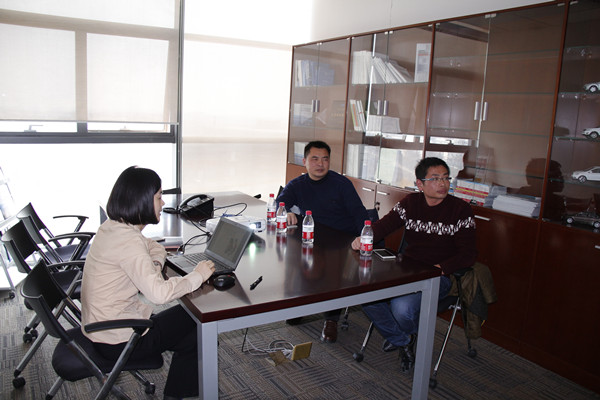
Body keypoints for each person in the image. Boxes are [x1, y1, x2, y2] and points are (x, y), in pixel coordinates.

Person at [80, 166, 216, 400]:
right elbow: (158, 294)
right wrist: (198, 275)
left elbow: (153, 247)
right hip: (121, 340)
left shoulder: (113, 227)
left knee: (192, 330)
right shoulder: (129, 242)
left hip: (103, 327)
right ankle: (180, 392)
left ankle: (178, 393)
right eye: (159, 197)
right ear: (142, 200)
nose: (163, 203)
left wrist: (153, 263)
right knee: (197, 318)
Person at [351, 157, 477, 372]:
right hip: (406, 271)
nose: (443, 184)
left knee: (402, 307)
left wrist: (441, 269)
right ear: (420, 184)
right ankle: (403, 340)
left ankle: (400, 337)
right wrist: (363, 238)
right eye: (435, 179)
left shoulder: (460, 210)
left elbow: (468, 254)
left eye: (446, 178)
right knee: (366, 294)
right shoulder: (411, 203)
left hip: (439, 276)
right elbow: (385, 225)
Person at [277, 140, 369, 343]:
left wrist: (365, 235)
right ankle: (302, 305)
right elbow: (280, 202)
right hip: (314, 240)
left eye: (325, 159)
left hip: (342, 242)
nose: (320, 164)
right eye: (315, 159)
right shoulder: (298, 184)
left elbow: (359, 213)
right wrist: (286, 211)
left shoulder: (341, 184)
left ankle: (331, 320)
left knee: (332, 274)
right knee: (298, 261)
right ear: (305, 161)